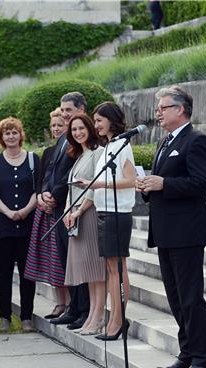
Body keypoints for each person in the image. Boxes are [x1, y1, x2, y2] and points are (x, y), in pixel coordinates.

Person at [136, 86, 206, 368]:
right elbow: (162, 183)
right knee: (175, 297)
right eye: (158, 108)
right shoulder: (165, 141)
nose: (157, 112)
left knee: (190, 297)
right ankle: (187, 352)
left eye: (162, 107)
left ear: (180, 109)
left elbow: (203, 183)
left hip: (187, 232)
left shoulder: (196, 141)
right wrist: (147, 186)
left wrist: (164, 184)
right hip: (166, 231)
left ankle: (204, 359)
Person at [79, 102, 137, 341]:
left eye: (100, 120)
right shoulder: (108, 146)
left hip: (117, 212)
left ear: (112, 120)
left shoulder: (123, 145)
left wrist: (99, 184)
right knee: (111, 268)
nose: (97, 125)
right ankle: (114, 319)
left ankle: (118, 320)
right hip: (104, 210)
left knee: (118, 268)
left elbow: (131, 180)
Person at [0, 117, 39, 332]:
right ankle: (4, 316)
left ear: (20, 134)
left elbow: (39, 188)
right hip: (2, 226)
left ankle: (26, 317)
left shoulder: (33, 159)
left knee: (27, 274)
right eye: (7, 133)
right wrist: (8, 211)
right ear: (1, 137)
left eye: (14, 132)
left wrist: (24, 211)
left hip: (27, 225)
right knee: (4, 273)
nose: (11, 136)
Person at [46, 92, 90, 331]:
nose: (64, 115)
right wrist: (44, 191)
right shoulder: (64, 138)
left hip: (72, 206)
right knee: (67, 262)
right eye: (62, 110)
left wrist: (55, 195)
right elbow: (51, 169)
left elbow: (72, 174)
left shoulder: (83, 137)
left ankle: (84, 309)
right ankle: (73, 307)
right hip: (58, 210)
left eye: (68, 110)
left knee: (78, 262)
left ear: (81, 109)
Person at [25, 108, 70, 318]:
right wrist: (42, 197)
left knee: (62, 260)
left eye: (59, 125)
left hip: (60, 208)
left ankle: (69, 302)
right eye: (53, 126)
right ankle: (59, 302)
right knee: (51, 260)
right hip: (45, 210)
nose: (55, 129)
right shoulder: (49, 152)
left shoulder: (71, 149)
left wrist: (54, 199)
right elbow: (42, 180)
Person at [63, 113, 106, 335]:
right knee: (88, 271)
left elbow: (93, 187)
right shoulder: (81, 155)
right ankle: (91, 315)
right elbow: (73, 188)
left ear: (89, 128)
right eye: (74, 130)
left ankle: (98, 316)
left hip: (89, 215)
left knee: (96, 269)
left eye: (81, 128)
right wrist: (68, 211)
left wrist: (79, 210)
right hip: (77, 216)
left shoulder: (98, 153)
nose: (78, 133)